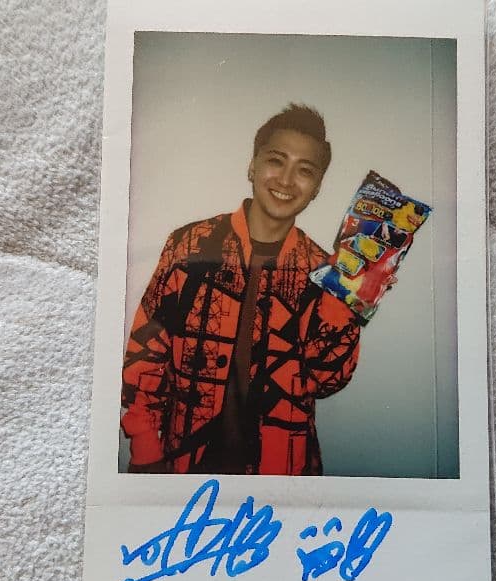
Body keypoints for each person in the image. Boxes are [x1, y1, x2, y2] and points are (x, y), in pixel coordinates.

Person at [120, 103, 362, 475]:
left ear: (316, 188)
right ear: (252, 166)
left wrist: (349, 300)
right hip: (184, 461)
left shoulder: (324, 273)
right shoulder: (191, 245)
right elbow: (149, 348)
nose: (286, 180)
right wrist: (145, 445)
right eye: (276, 161)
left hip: (281, 472)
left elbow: (327, 380)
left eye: (304, 170)